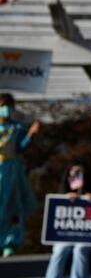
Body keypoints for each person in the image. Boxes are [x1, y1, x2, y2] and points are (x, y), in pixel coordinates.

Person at [41, 162, 91, 278]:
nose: (76, 176)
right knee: (60, 249)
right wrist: (65, 200)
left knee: (80, 249)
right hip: (66, 238)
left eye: (79, 173)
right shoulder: (62, 196)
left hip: (85, 238)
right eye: (73, 173)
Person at [0, 92, 40, 257]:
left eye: (8, 106)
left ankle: (9, 241)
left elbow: (20, 148)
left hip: (11, 173)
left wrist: (30, 135)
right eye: (2, 106)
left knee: (12, 206)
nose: (6, 110)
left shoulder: (17, 128)